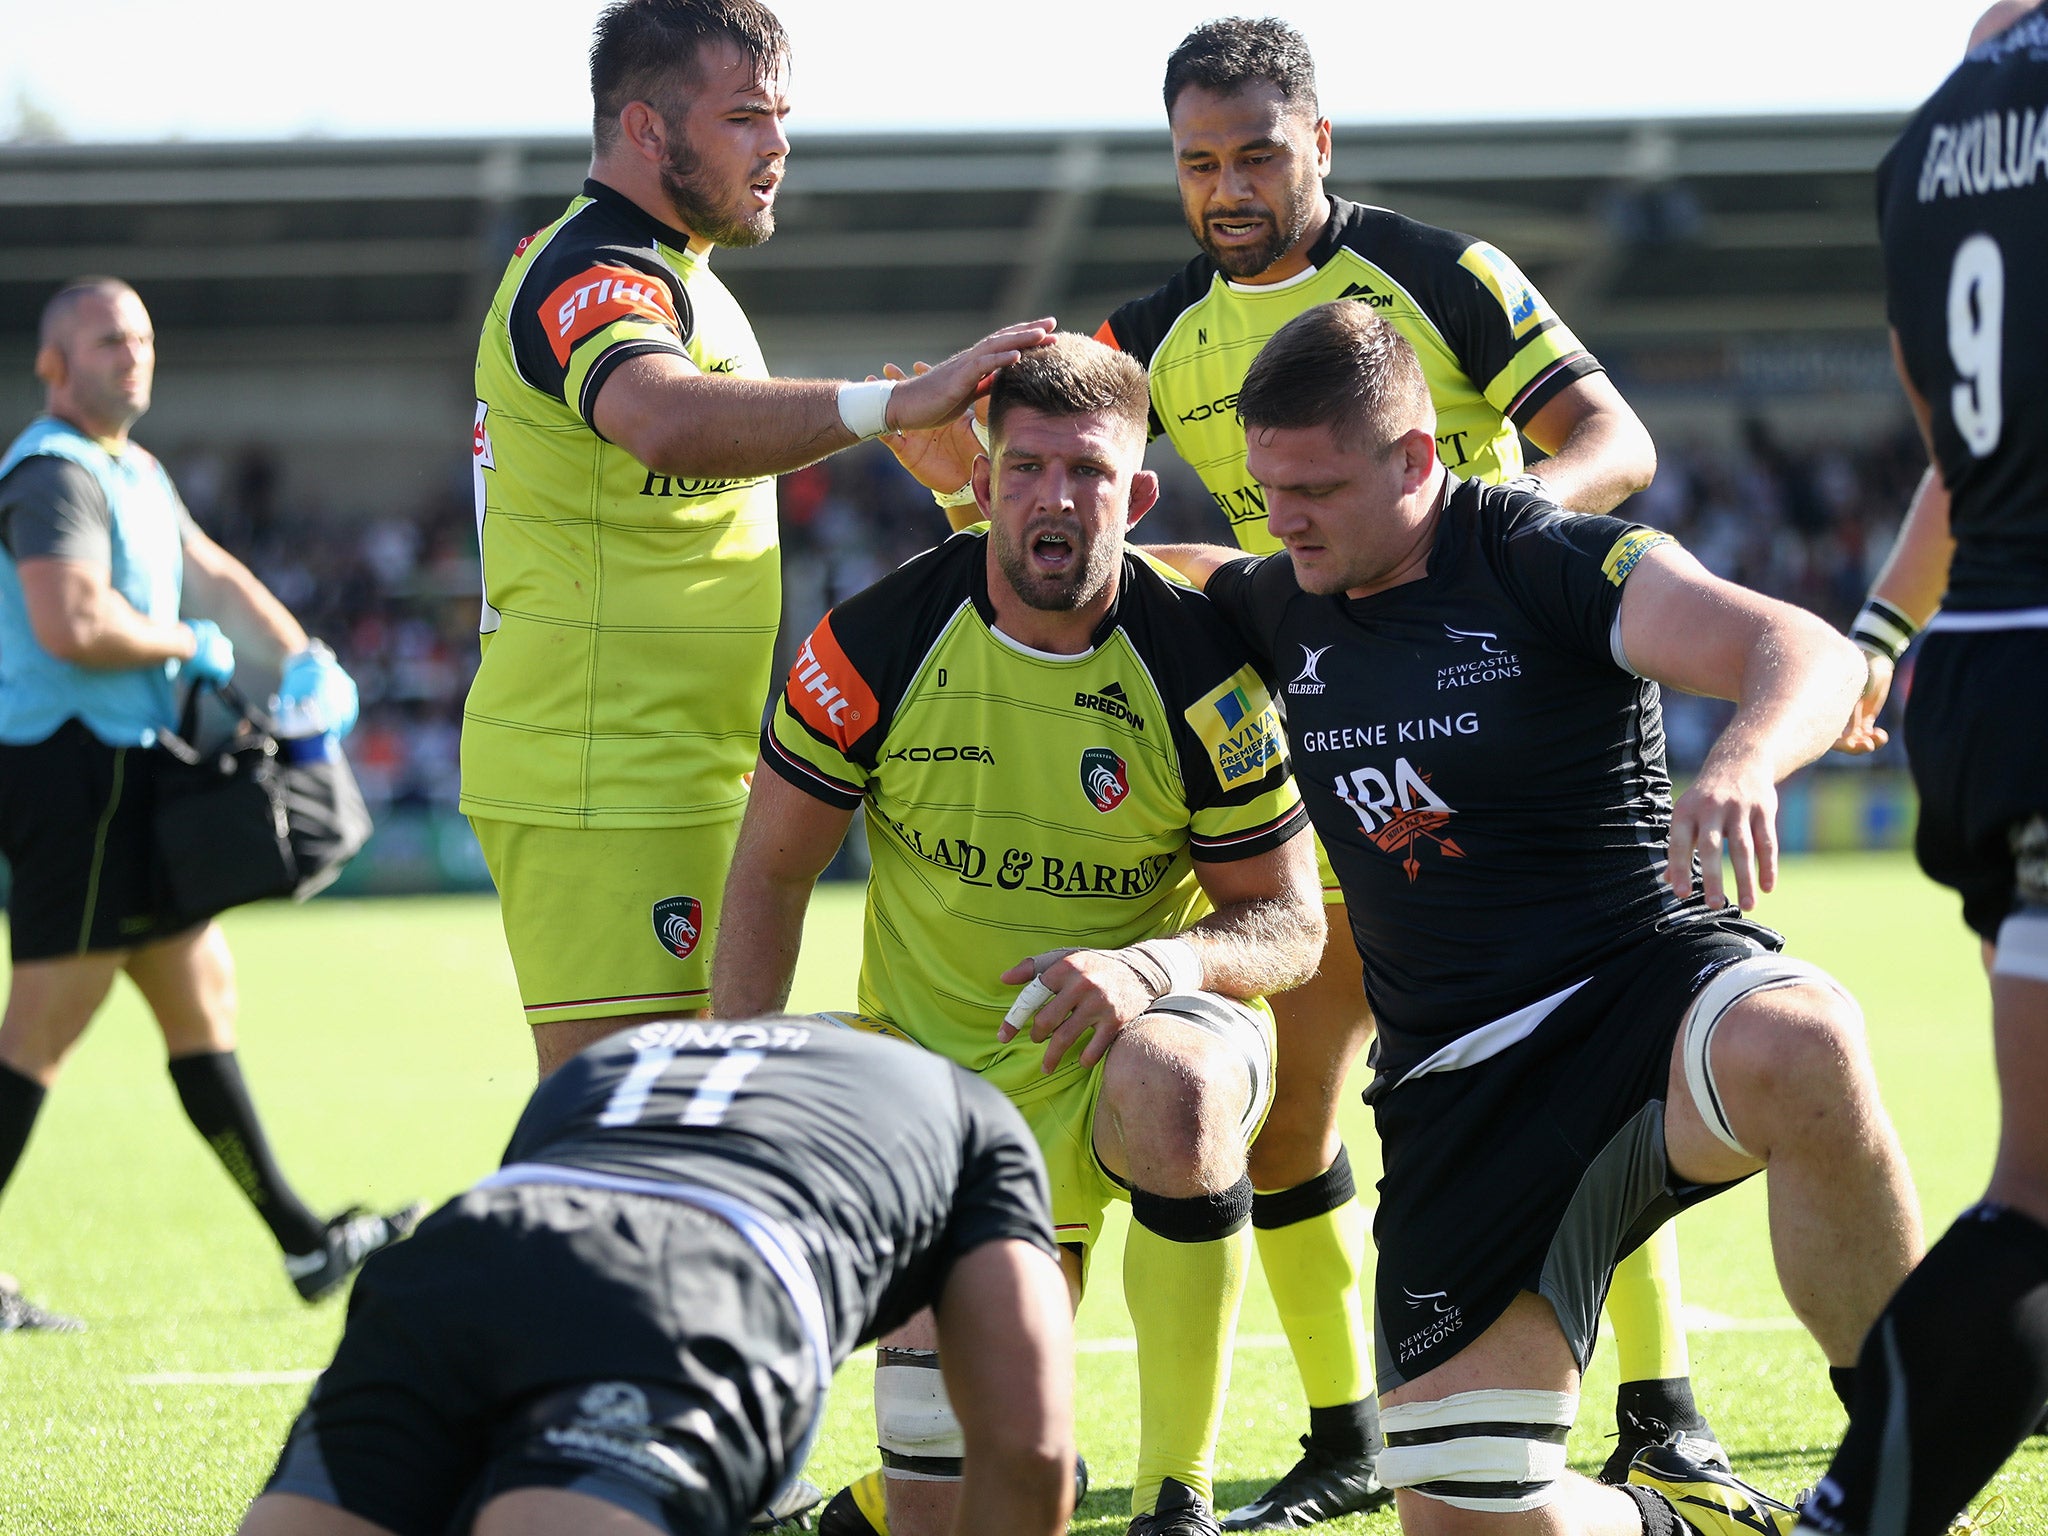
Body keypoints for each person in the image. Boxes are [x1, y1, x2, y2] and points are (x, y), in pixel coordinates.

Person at [883, 20, 1674, 1524]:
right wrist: (959, 481)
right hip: (1307, 728)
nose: (1227, 187)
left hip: (1493, 708)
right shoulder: (1149, 332)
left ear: (1321, 142)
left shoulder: (1446, 272)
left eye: (1255, 154)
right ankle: (1345, 1434)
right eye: (1197, 162)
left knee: (1574, 1057)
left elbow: (1613, 442)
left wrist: (1474, 548)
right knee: (1300, 1110)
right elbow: (1063, 491)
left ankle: (1665, 1412)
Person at [1145, 300, 1924, 1536]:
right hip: (1454, 1092)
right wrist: (980, 501)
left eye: (1314, 488)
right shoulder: (1272, 600)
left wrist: (1734, 764)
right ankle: (1685, 1523)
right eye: (1265, 487)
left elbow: (1805, 649)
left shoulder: (1538, 552)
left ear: (1415, 460)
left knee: (1804, 1039)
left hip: (1634, 1004)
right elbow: (1136, 578)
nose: (1281, 516)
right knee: (1466, 1515)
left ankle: (1903, 1466)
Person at [714, 333, 1325, 1536]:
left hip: (1125, 1044)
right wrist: (729, 1069)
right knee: (958, 1513)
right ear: (984, 483)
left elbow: (1288, 922)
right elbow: (770, 871)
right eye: (1028, 468)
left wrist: (1156, 965)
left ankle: (1175, 1495)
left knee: (1180, 1079)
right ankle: (887, 1502)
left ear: (1136, 495)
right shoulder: (874, 640)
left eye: (1089, 474)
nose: (1055, 499)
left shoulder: (1200, 669)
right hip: (935, 1079)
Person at [462, 0, 1053, 1080]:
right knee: (626, 1140)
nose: (776, 146)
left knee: (679, 1124)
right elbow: (663, 419)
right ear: (645, 129)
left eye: (780, 116)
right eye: (743, 117)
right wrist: (891, 407)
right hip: (605, 773)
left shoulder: (687, 282)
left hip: (683, 766)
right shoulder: (592, 271)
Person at [236, 1016, 1076, 1536]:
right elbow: (1031, 1449)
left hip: (461, 1255)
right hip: (694, 1286)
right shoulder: (972, 1111)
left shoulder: (632, 1055)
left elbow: (535, 1272)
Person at [0, 277, 413, 1331]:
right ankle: (303, 1240)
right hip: (72, 774)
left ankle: (304, 1242)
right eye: (104, 342)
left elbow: (212, 573)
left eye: (138, 339)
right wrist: (188, 643)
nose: (130, 356)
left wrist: (302, 657)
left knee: (198, 999)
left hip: (131, 771)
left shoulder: (129, 469)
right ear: (55, 364)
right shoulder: (54, 472)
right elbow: (72, 623)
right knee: (45, 1025)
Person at [1797, 5, 2048, 1533]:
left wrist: (1884, 626)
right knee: (2037, 1198)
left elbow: (1958, 455)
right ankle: (1858, 1512)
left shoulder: (1929, 143)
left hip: (1989, 666)